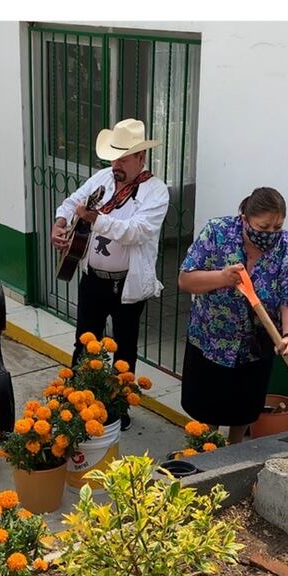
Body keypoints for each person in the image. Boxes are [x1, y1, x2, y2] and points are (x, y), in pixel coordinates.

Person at [50, 119, 170, 431]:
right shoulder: (103, 177)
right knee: (83, 342)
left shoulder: (156, 192)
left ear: (140, 158)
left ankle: (118, 407)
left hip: (126, 286)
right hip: (93, 278)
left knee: (124, 349)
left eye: (123, 158)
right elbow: (72, 201)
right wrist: (60, 223)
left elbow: (137, 231)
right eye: (113, 157)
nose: (115, 164)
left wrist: (96, 219)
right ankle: (75, 400)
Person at [178, 187, 288, 443]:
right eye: (263, 227)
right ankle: (203, 452)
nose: (270, 234)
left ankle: (234, 454)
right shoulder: (217, 232)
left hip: (253, 349)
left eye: (276, 227)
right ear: (244, 218)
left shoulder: (287, 248)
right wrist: (221, 277)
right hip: (210, 341)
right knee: (206, 413)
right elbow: (185, 279)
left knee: (243, 413)